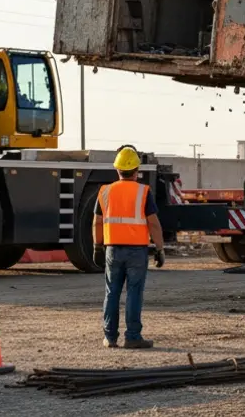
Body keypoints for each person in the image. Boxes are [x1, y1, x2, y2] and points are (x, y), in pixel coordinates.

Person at [93, 145, 165, 349]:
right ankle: (132, 337)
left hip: (112, 249)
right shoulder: (143, 192)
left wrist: (97, 247)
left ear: (117, 170)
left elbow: (97, 222)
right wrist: (159, 249)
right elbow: (153, 223)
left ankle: (110, 337)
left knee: (111, 292)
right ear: (136, 171)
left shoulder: (105, 192)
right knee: (134, 292)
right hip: (137, 251)